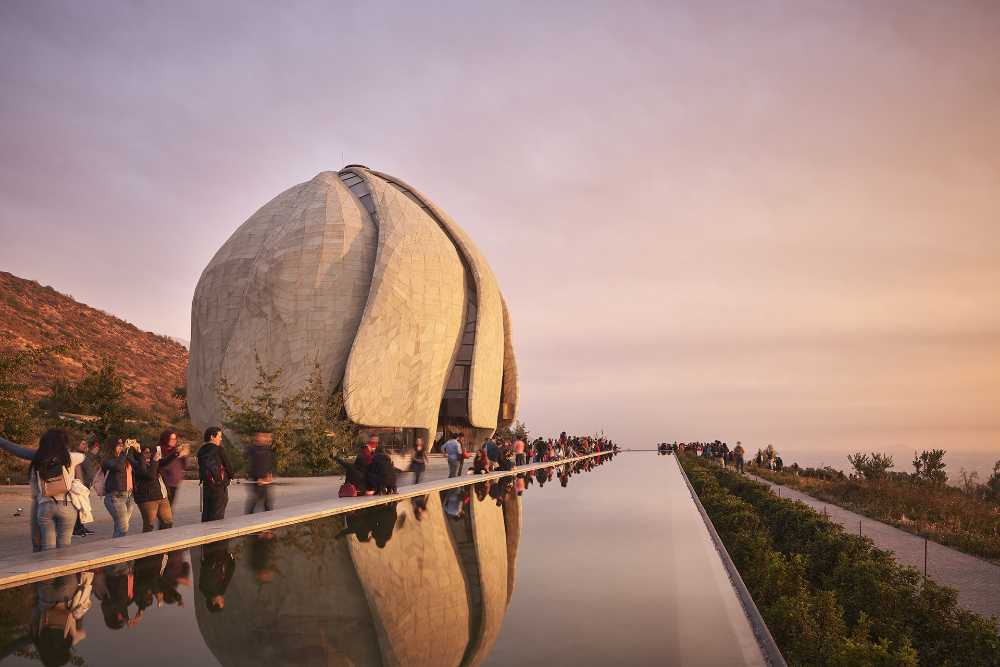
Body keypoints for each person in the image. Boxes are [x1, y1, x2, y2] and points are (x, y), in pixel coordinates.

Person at [0, 429, 88, 551]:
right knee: (64, 546)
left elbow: (13, 448)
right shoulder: (71, 457)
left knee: (48, 547)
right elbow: (83, 456)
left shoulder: (38, 457)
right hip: (66, 505)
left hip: (45, 506)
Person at [102, 438, 141, 538]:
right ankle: (117, 550)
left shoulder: (126, 457)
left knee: (121, 526)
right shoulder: (108, 460)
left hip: (129, 496)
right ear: (112, 447)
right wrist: (124, 451)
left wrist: (138, 451)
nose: (121, 446)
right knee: (123, 527)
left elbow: (140, 467)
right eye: (118, 444)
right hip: (115, 497)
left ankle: (115, 548)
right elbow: (118, 467)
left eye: (122, 444)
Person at [134, 444, 173, 532]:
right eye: (146, 453)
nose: (149, 455)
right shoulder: (138, 464)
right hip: (148, 499)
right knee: (149, 525)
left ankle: (163, 542)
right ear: (140, 453)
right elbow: (150, 476)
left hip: (162, 496)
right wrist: (154, 461)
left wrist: (176, 453)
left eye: (150, 452)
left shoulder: (154, 462)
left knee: (168, 522)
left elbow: (165, 462)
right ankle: (146, 544)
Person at [198, 427, 233, 522]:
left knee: (207, 513)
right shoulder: (219, 449)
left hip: (206, 486)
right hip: (219, 486)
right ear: (212, 437)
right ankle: (216, 533)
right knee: (217, 515)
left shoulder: (201, 451)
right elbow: (228, 466)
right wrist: (230, 477)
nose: (220, 439)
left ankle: (204, 534)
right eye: (219, 436)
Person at [157, 429, 189, 509]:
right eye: (171, 439)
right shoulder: (160, 449)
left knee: (169, 508)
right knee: (165, 510)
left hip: (174, 484)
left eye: (175, 439)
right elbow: (162, 464)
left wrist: (184, 455)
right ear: (165, 438)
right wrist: (176, 454)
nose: (174, 441)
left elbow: (184, 466)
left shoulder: (175, 450)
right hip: (164, 484)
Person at [245, 432, 275, 514]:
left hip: (265, 479)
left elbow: (270, 463)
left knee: (266, 500)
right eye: (265, 436)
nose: (268, 438)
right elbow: (256, 465)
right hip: (258, 479)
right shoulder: (255, 450)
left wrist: (270, 474)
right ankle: (248, 516)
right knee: (256, 498)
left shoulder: (267, 449)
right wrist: (259, 478)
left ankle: (268, 516)